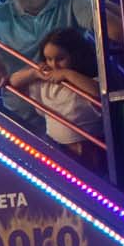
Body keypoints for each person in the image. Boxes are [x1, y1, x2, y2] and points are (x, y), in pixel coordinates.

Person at [10, 26, 102, 161]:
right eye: (48, 59)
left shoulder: (88, 80)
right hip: (54, 145)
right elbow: (13, 81)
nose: (54, 65)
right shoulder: (45, 83)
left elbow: (97, 91)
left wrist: (67, 74)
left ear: (76, 56)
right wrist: (34, 72)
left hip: (89, 145)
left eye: (60, 59)